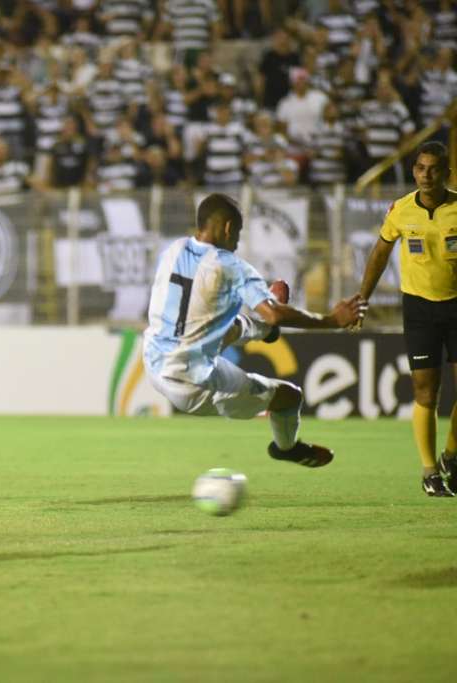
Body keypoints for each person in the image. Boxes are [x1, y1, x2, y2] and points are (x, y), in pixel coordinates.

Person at [144, 193, 365, 469]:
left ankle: (262, 330)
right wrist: (332, 320)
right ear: (227, 228)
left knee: (220, 320)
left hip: (154, 362)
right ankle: (287, 448)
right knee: (289, 397)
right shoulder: (230, 266)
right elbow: (273, 312)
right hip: (193, 383)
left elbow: (198, 313)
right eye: (237, 232)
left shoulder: (172, 249)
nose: (237, 241)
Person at [356, 142, 457, 496]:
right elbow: (380, 253)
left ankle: (452, 454)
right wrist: (363, 299)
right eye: (420, 168)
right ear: (414, 171)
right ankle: (430, 471)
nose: (426, 175)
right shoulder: (400, 210)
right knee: (425, 391)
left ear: (447, 173)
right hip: (419, 309)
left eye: (433, 169)